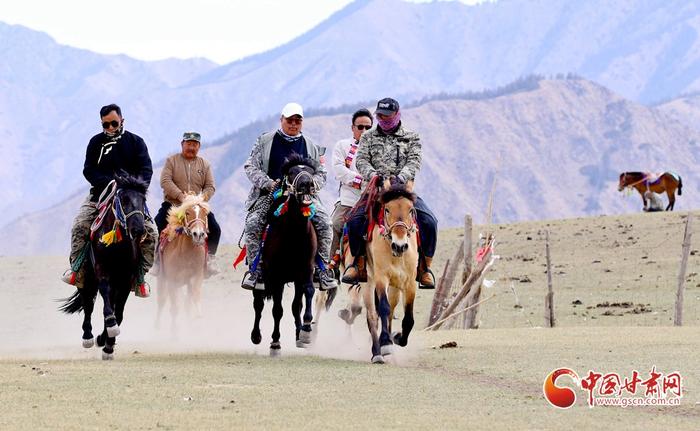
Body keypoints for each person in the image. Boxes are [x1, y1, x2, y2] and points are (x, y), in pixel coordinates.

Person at [241, 102, 338, 291]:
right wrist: (268, 183)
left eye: (297, 121)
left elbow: (322, 173)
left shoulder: (311, 146)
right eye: (290, 120)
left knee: (325, 224)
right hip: (269, 195)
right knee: (253, 224)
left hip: (304, 197)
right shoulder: (265, 141)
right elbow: (250, 167)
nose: (293, 124)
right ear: (281, 120)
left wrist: (311, 185)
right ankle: (256, 270)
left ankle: (321, 270)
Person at [343, 97, 438, 289]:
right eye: (380, 115)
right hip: (376, 190)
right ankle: (357, 265)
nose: (383, 119)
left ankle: (424, 268)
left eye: (387, 116)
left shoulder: (411, 137)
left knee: (429, 221)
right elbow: (361, 160)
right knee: (354, 221)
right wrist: (374, 175)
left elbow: (414, 161)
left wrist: (401, 178)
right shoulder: (368, 137)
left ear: (397, 115)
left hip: (404, 193)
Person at [61, 104, 157, 292]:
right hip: (100, 196)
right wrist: (107, 183)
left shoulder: (136, 142)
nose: (111, 128)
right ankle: (77, 271)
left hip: (131, 199)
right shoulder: (95, 142)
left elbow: (146, 170)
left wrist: (132, 186)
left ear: (122, 121)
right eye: (106, 125)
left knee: (152, 233)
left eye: (114, 123)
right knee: (79, 225)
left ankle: (139, 277)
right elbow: (88, 169)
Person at [154, 131, 221, 275]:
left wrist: (201, 199)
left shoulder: (205, 164)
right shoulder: (171, 161)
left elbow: (210, 186)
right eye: (189, 144)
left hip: (197, 207)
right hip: (173, 204)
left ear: (199, 146)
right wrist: (180, 196)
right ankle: (157, 260)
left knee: (215, 228)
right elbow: (165, 181)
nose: (191, 147)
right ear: (182, 144)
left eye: (195, 144)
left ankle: (210, 258)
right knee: (158, 223)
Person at [329, 109, 373, 278]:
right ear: (352, 128)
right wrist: (363, 181)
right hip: (349, 200)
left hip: (373, 199)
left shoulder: (380, 148)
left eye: (368, 127)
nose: (364, 131)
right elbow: (340, 170)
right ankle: (329, 267)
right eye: (360, 127)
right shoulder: (342, 146)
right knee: (335, 224)